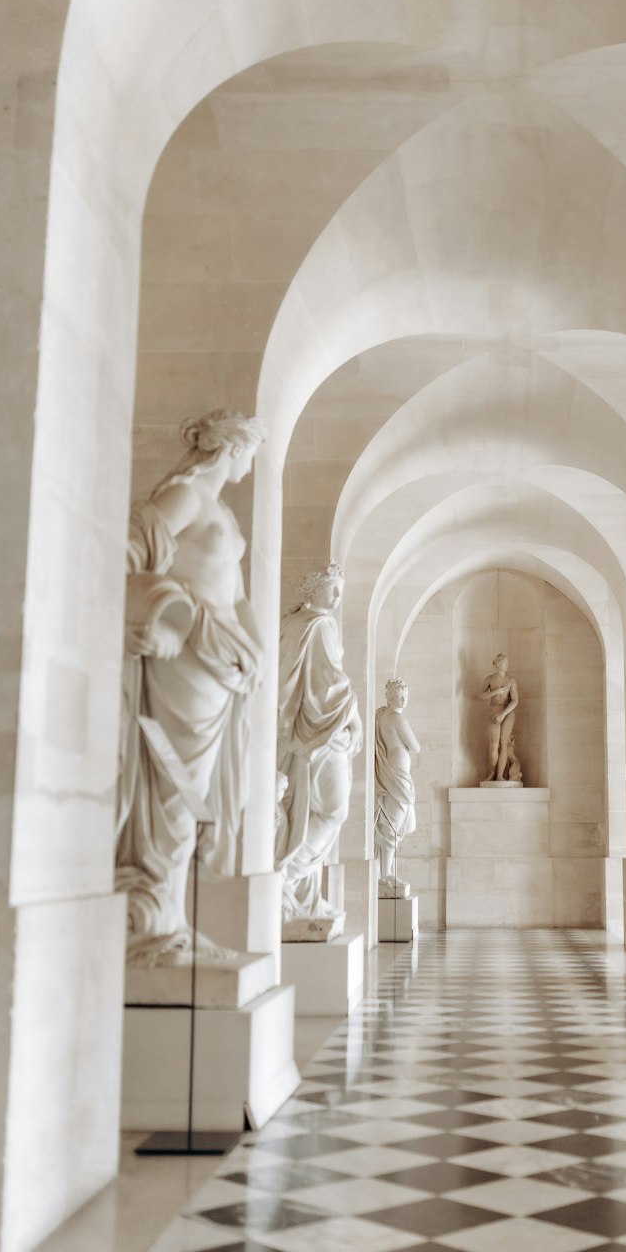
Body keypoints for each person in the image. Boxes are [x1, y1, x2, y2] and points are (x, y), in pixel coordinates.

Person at [115, 408, 265, 967]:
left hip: (223, 664)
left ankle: (169, 917)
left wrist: (254, 652)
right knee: (173, 792)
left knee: (192, 793)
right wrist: (158, 620)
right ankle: (151, 924)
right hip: (189, 658)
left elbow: (239, 594)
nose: (253, 462)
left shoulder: (221, 508)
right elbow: (128, 554)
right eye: (251, 450)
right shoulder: (186, 496)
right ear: (232, 447)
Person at [276, 562, 362, 938]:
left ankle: (301, 894)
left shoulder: (291, 625)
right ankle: (284, 878)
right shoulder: (320, 625)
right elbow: (332, 685)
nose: (338, 598)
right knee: (332, 810)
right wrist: (354, 715)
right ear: (313, 591)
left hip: (297, 735)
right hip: (324, 734)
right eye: (333, 589)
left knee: (307, 809)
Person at [373, 678, 420, 894]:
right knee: (393, 824)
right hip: (398, 776)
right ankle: (386, 875)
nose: (404, 699)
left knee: (392, 823)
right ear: (391, 697)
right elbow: (415, 746)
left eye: (405, 695)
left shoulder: (383, 716)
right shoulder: (396, 717)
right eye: (400, 696)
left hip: (394, 773)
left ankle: (385, 874)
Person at [478, 653, 522, 783]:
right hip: (494, 713)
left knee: (504, 744)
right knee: (494, 745)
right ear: (497, 664)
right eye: (504, 663)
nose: (506, 665)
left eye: (507, 663)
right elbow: (480, 695)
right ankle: (491, 773)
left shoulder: (511, 680)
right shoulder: (490, 679)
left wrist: (503, 714)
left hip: (507, 714)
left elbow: (515, 700)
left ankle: (500, 775)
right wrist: (496, 692)